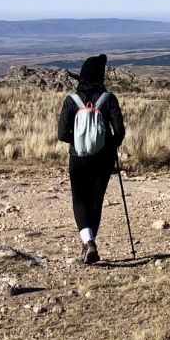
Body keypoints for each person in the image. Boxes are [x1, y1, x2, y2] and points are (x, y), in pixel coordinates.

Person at [56, 54, 125, 264]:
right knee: (96, 201)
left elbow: (61, 134)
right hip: (103, 158)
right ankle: (90, 243)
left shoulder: (72, 100)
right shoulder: (109, 98)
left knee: (80, 200)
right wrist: (108, 144)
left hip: (78, 158)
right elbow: (120, 131)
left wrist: (78, 142)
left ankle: (88, 242)